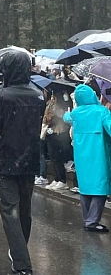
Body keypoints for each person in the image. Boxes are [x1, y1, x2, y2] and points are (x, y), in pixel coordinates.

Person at [0, 51, 45, 275]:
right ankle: (20, 253)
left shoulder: (0, 97)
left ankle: (22, 264)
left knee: (10, 211)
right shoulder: (38, 95)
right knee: (24, 210)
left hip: (4, 160)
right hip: (28, 159)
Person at [63, 84, 111, 232]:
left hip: (81, 157)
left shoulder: (76, 114)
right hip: (99, 156)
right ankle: (91, 222)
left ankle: (87, 219)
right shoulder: (101, 112)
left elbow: (65, 116)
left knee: (85, 188)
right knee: (100, 187)